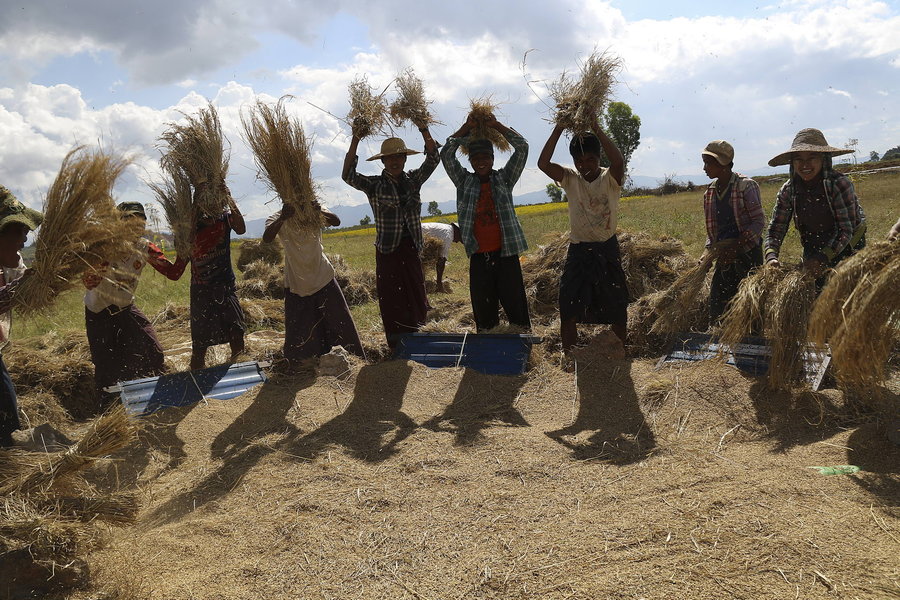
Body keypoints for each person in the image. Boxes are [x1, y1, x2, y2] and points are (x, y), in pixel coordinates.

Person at [537, 121, 628, 357]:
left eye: (590, 160)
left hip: (607, 249)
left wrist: (596, 126)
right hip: (578, 250)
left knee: (617, 304)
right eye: (579, 161)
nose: (584, 165)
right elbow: (543, 164)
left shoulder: (611, 178)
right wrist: (558, 128)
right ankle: (570, 357)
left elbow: (618, 161)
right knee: (568, 305)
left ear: (599, 158)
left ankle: (619, 353)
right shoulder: (570, 179)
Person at [342, 128, 439, 348]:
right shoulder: (374, 185)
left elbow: (433, 159)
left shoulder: (414, 180)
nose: (394, 161)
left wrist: (423, 129)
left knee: (416, 292)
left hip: (411, 247)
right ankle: (397, 345)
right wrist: (356, 139)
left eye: (398, 156)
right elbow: (348, 175)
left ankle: (419, 337)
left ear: (405, 159)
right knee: (392, 298)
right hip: (388, 250)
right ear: (383, 161)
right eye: (389, 158)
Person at [82, 202, 185, 397]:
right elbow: (88, 282)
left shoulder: (145, 248)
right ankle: (109, 408)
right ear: (119, 225)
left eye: (140, 222)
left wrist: (185, 253)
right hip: (98, 313)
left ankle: (147, 393)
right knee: (105, 366)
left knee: (152, 351)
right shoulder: (103, 248)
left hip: (125, 309)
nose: (137, 227)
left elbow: (173, 273)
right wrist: (94, 273)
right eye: (130, 221)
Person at [441, 114, 530, 332]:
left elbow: (523, 148)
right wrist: (465, 128)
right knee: (484, 311)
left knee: (516, 306)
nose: (481, 162)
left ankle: (523, 345)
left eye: (485, 157)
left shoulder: (505, 178)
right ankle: (488, 349)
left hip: (506, 254)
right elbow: (446, 154)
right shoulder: (464, 182)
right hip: (479, 256)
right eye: (475, 158)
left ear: (493, 159)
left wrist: (497, 126)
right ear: (470, 161)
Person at [263, 202, 365, 366]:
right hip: (297, 280)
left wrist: (319, 211)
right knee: (300, 329)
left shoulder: (314, 210)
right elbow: (267, 237)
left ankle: (353, 359)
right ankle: (301, 365)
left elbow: (336, 221)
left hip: (322, 275)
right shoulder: (277, 216)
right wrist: (283, 217)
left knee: (340, 321)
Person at [765, 128, 866, 286]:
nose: (805, 165)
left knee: (847, 292)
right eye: (798, 159)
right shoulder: (789, 190)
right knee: (814, 293)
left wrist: (822, 258)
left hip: (849, 243)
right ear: (793, 163)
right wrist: (771, 256)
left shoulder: (838, 184)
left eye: (812, 158)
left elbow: (846, 230)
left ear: (823, 159)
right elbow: (776, 227)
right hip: (813, 243)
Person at [161, 186, 247, 370]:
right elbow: (182, 254)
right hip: (201, 289)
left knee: (236, 331)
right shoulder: (187, 229)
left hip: (225, 286)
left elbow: (241, 229)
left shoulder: (224, 219)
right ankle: (197, 375)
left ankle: (238, 369)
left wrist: (230, 199)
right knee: (200, 344)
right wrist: (192, 215)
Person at [697, 140, 766, 321]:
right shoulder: (710, 192)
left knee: (749, 306)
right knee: (718, 305)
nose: (704, 168)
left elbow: (758, 222)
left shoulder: (746, 186)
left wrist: (735, 247)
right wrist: (707, 253)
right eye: (704, 162)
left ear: (723, 164)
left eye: (708, 163)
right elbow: (713, 231)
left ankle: (751, 344)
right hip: (724, 256)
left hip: (748, 254)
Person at [0, 186, 41, 446]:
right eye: (20, 232)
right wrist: (22, 285)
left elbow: (19, 278)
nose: (24, 241)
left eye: (27, 233)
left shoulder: (11, 262)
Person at [421, 221, 461, 292]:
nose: (457, 241)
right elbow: (441, 260)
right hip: (417, 233)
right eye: (460, 238)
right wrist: (439, 283)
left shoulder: (447, 229)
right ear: (457, 231)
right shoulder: (448, 235)